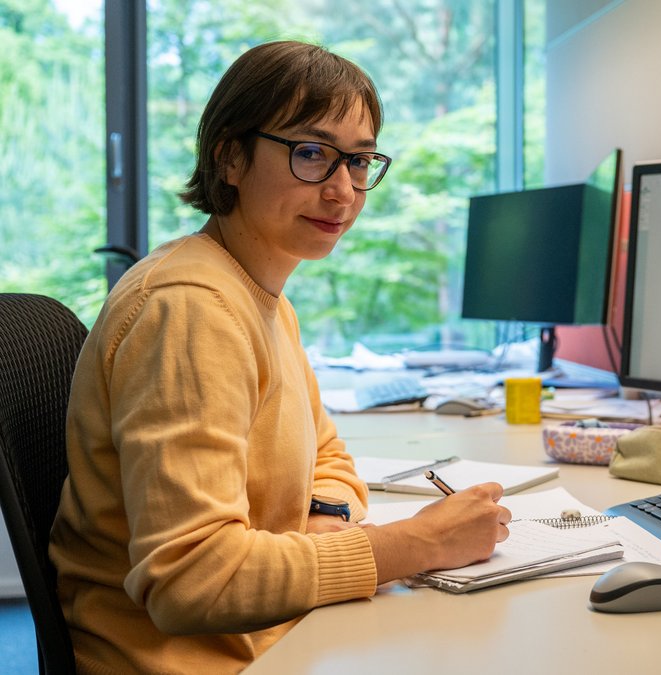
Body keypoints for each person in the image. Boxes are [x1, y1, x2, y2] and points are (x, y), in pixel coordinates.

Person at [48, 40, 511, 674]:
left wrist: (323, 516)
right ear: (230, 156)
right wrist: (417, 543)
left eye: (359, 160)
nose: (343, 189)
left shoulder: (261, 295)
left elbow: (329, 457)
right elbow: (191, 580)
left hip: (269, 637)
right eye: (313, 154)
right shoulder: (191, 308)